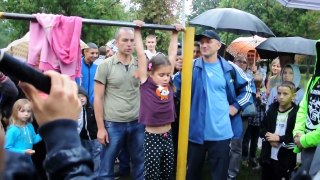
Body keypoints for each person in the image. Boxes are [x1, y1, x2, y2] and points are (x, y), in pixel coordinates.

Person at [173, 30, 253, 180]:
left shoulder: (229, 67)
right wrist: (177, 69)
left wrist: (236, 106)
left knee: (219, 176)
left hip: (221, 134)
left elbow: (249, 86)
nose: (203, 45)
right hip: (196, 134)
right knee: (192, 174)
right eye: (201, 42)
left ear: (218, 45)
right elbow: (172, 87)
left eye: (208, 42)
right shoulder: (191, 66)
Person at [2, 70, 94, 179]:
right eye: (23, 111)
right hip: (22, 158)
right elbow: (7, 147)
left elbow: (34, 139)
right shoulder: (13, 130)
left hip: (30, 159)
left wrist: (47, 128)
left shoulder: (30, 126)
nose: (26, 114)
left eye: (28, 111)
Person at [134, 20, 182, 179]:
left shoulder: (169, 84)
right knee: (152, 175)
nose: (166, 78)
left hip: (167, 136)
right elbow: (141, 55)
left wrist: (175, 34)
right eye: (161, 75)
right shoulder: (146, 83)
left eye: (168, 75)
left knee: (168, 173)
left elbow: (172, 55)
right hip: (152, 138)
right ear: (150, 73)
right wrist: (137, 31)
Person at [94, 27, 144, 179]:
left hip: (137, 122)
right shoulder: (105, 65)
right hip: (113, 124)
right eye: (125, 40)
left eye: (132, 41)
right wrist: (101, 128)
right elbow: (98, 98)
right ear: (116, 42)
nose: (129, 44)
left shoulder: (139, 65)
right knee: (106, 167)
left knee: (140, 164)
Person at [259, 81, 299, 180]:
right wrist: (270, 138)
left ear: (293, 95)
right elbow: (262, 128)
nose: (281, 96)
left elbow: (295, 137)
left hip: (285, 159)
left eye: (285, 94)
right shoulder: (271, 109)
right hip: (268, 156)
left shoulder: (297, 113)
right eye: (279, 93)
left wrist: (279, 138)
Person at [292, 42, 320, 176]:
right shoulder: (313, 80)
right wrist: (298, 132)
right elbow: (303, 108)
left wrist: (304, 140)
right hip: (305, 143)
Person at [228, 55, 255, 179]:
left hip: (241, 116)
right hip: (225, 115)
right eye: (239, 61)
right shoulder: (227, 75)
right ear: (234, 62)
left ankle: (232, 173)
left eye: (245, 62)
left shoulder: (248, 79)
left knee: (236, 145)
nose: (242, 63)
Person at [242, 73, 266, 169]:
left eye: (259, 83)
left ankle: (252, 156)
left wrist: (260, 100)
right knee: (246, 140)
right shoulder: (250, 91)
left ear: (262, 83)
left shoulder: (263, 92)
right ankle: (244, 157)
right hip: (250, 120)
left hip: (258, 121)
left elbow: (265, 105)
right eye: (255, 83)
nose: (257, 85)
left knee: (255, 141)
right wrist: (254, 99)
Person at [78, 87, 101, 179]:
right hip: (83, 139)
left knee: (96, 156)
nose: (81, 98)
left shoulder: (92, 108)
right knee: (86, 156)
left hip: (95, 138)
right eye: (78, 97)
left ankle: (96, 175)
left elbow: (98, 121)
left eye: (83, 96)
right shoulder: (76, 110)